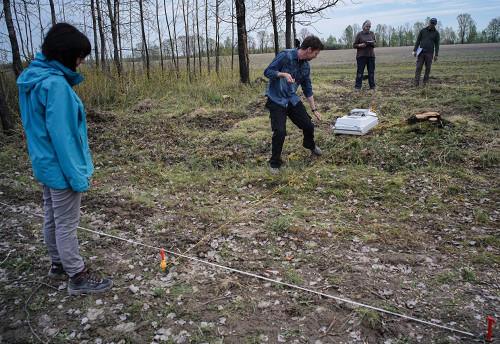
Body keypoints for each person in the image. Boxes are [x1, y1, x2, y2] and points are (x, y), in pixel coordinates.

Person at [17, 23, 113, 295]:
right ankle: (77, 276)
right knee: (66, 223)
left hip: (45, 164)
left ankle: (58, 264)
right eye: (79, 55)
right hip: (61, 168)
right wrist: (77, 177)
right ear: (65, 53)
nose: (82, 61)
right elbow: (64, 138)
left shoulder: (33, 77)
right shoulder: (56, 85)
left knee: (53, 217)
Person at [264, 35, 324, 174]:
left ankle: (310, 145)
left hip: (291, 99)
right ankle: (275, 163)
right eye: (316, 53)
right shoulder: (285, 55)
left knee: (308, 125)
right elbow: (268, 72)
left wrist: (314, 110)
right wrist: (283, 74)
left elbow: (307, 88)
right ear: (309, 49)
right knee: (280, 131)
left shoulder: (306, 67)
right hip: (276, 99)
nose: (316, 56)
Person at [413, 18, 440, 86]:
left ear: (435, 24)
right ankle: (416, 82)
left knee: (428, 68)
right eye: (431, 23)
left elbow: (437, 44)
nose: (432, 24)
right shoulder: (423, 31)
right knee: (418, 67)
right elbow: (418, 40)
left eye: (433, 23)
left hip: (429, 53)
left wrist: (436, 54)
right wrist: (415, 50)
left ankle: (425, 82)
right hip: (421, 52)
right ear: (429, 22)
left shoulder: (436, 33)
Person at [353, 20, 377, 90]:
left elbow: (375, 43)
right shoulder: (359, 34)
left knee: (371, 72)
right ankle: (358, 86)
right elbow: (354, 45)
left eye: (369, 26)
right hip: (361, 56)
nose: (368, 28)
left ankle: (372, 86)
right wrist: (360, 45)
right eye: (367, 26)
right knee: (360, 71)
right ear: (363, 26)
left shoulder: (372, 34)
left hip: (371, 56)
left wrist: (373, 44)